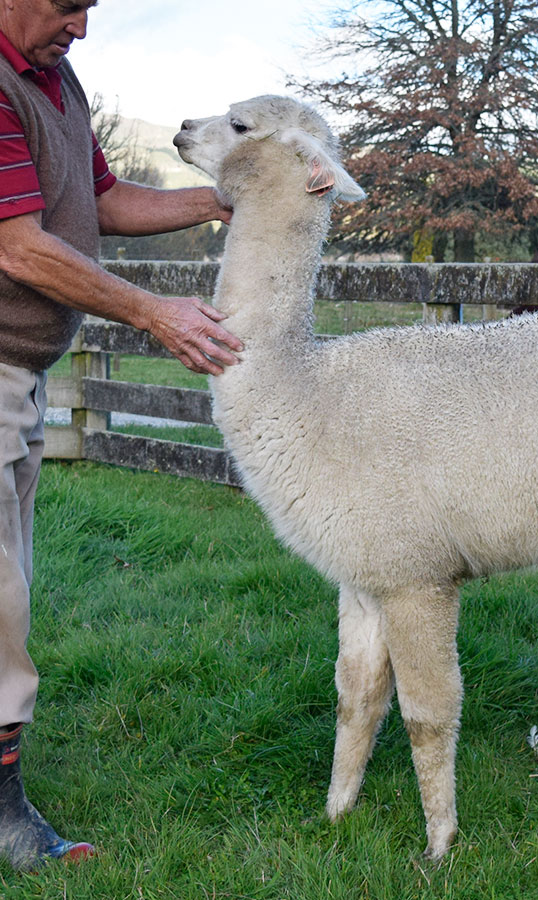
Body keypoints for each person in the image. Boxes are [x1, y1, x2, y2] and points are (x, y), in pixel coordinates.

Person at [0, 0, 242, 869]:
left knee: (9, 577)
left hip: (17, 370)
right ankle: (3, 815)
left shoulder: (52, 76)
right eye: (70, 5)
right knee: (0, 599)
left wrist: (226, 197)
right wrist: (152, 312)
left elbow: (100, 201)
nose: (84, 26)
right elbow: (20, 248)